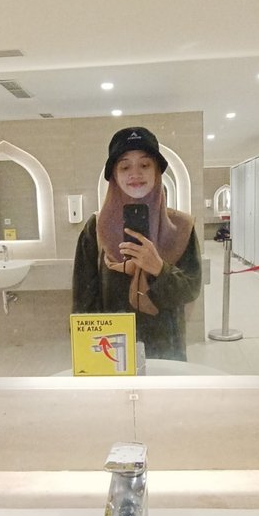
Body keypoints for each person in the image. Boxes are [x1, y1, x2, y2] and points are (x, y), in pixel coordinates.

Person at [72, 126, 202, 361]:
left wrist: (159, 269)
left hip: (166, 346)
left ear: (157, 171)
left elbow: (190, 290)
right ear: (114, 175)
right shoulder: (97, 228)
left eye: (145, 164)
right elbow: (84, 301)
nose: (135, 173)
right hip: (112, 348)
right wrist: (89, 354)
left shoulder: (180, 227)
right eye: (125, 167)